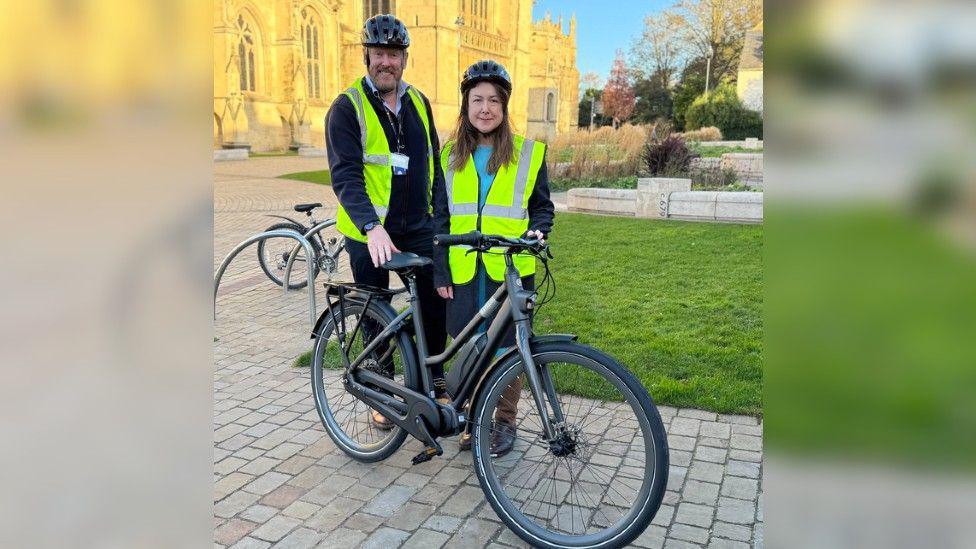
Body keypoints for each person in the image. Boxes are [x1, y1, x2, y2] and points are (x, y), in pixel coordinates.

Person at [326, 14, 449, 429]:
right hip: (370, 230)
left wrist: (437, 223)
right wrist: (369, 226)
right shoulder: (347, 107)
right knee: (374, 310)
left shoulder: (418, 102)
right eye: (379, 53)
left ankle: (435, 378)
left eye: (393, 55)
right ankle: (380, 388)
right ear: (367, 57)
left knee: (435, 301)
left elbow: (433, 165)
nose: (386, 62)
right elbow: (345, 175)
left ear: (404, 59)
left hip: (417, 224)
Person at [432, 60, 554, 457]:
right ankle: (467, 416)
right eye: (477, 100)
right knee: (467, 345)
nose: (485, 108)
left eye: (493, 101)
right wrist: (440, 269)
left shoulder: (529, 154)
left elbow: (542, 209)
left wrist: (538, 230)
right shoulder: (449, 155)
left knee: (508, 349)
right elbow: (439, 217)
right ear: (466, 106)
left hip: (511, 269)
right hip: (463, 268)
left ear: (504, 107)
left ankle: (503, 422)